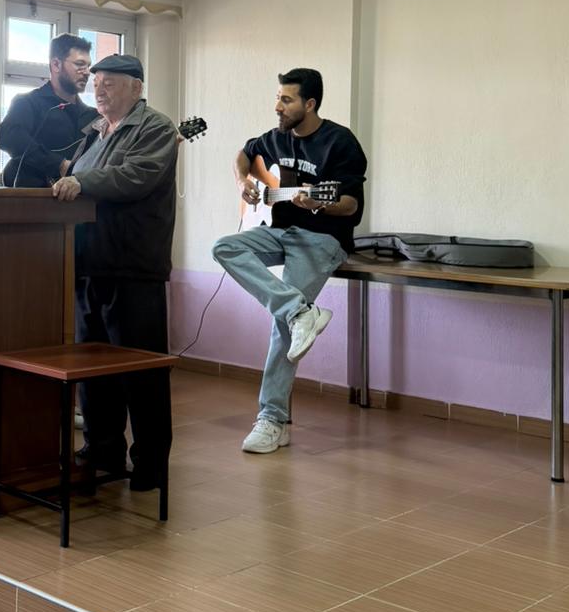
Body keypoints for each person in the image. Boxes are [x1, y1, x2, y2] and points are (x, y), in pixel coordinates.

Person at [212, 67, 367, 455]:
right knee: (224, 247)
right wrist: (243, 182)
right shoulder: (276, 137)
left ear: (309, 104)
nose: (277, 106)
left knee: (282, 327)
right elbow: (244, 154)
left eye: (286, 99)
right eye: (278, 98)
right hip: (280, 230)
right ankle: (301, 312)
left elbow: (351, 204)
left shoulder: (340, 142)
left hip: (322, 239)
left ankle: (272, 419)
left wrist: (320, 203)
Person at [51, 54, 178, 488]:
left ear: (136, 88)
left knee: (140, 370)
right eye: (96, 82)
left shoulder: (155, 128)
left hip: (132, 266)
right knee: (93, 369)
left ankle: (150, 463)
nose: (98, 89)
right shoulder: (93, 132)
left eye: (109, 82)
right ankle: (102, 448)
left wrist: (82, 182)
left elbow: (135, 176)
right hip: (89, 263)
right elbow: (76, 178)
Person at [0, 33, 94, 187]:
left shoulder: (93, 116)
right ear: (56, 65)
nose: (87, 72)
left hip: (80, 199)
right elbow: (10, 138)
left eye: (88, 66)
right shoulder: (27, 103)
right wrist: (59, 164)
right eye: (79, 64)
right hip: (33, 196)